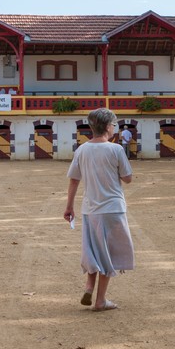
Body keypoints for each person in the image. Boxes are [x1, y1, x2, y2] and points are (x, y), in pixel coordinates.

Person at [64, 108, 134, 311]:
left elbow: (74, 180)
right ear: (108, 126)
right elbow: (128, 178)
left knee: (94, 249)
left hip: (90, 209)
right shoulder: (116, 150)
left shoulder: (82, 150)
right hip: (112, 208)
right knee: (107, 253)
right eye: (114, 124)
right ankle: (100, 300)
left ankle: (89, 286)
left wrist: (69, 207)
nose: (115, 128)